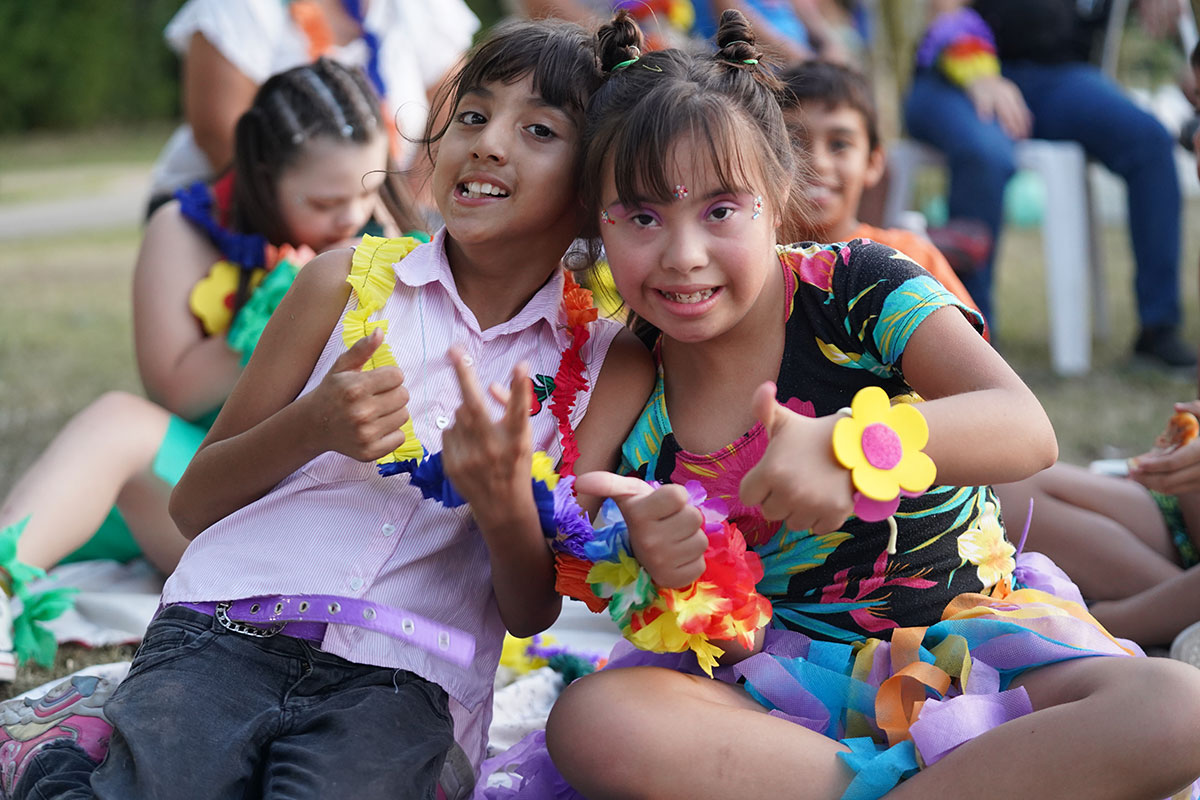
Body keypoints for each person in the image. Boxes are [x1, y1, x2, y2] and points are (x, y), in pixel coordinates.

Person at [478, 11, 1200, 799]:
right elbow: (542, 592)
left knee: (1177, 706)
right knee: (594, 718)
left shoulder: (857, 285)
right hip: (777, 706)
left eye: (720, 210)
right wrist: (646, 563)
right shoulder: (628, 369)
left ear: (776, 195)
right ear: (597, 222)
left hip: (981, 652)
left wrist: (847, 445)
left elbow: (1026, 429)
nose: (683, 255)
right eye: (642, 217)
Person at [0, 18, 654, 800]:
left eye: (538, 130)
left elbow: (530, 609)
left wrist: (504, 498)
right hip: (225, 630)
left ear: (592, 188)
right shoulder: (339, 282)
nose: (487, 143)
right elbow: (193, 503)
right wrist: (310, 427)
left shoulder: (609, 364)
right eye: (473, 115)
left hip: (405, 679)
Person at [0, 57, 418, 677]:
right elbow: (173, 388)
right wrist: (287, 308)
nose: (351, 217)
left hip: (340, 507)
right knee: (117, 421)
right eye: (325, 201)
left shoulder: (388, 236)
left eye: (366, 191)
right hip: (213, 486)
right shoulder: (184, 227)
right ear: (264, 176)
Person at [903, 0, 1195, 368]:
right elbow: (944, 12)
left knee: (1150, 141)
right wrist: (978, 73)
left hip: (1057, 78)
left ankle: (1158, 329)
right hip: (954, 77)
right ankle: (969, 336)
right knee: (986, 154)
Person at [146, 0, 479, 209]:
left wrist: (403, 211)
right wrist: (320, 219)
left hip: (377, 214)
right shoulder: (241, 7)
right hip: (237, 214)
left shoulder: (419, 7)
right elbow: (219, 134)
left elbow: (451, 102)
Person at [777, 59, 985, 327]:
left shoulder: (911, 258)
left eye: (839, 144)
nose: (818, 163)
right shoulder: (755, 264)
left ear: (873, 162)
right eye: (794, 142)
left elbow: (970, 345)